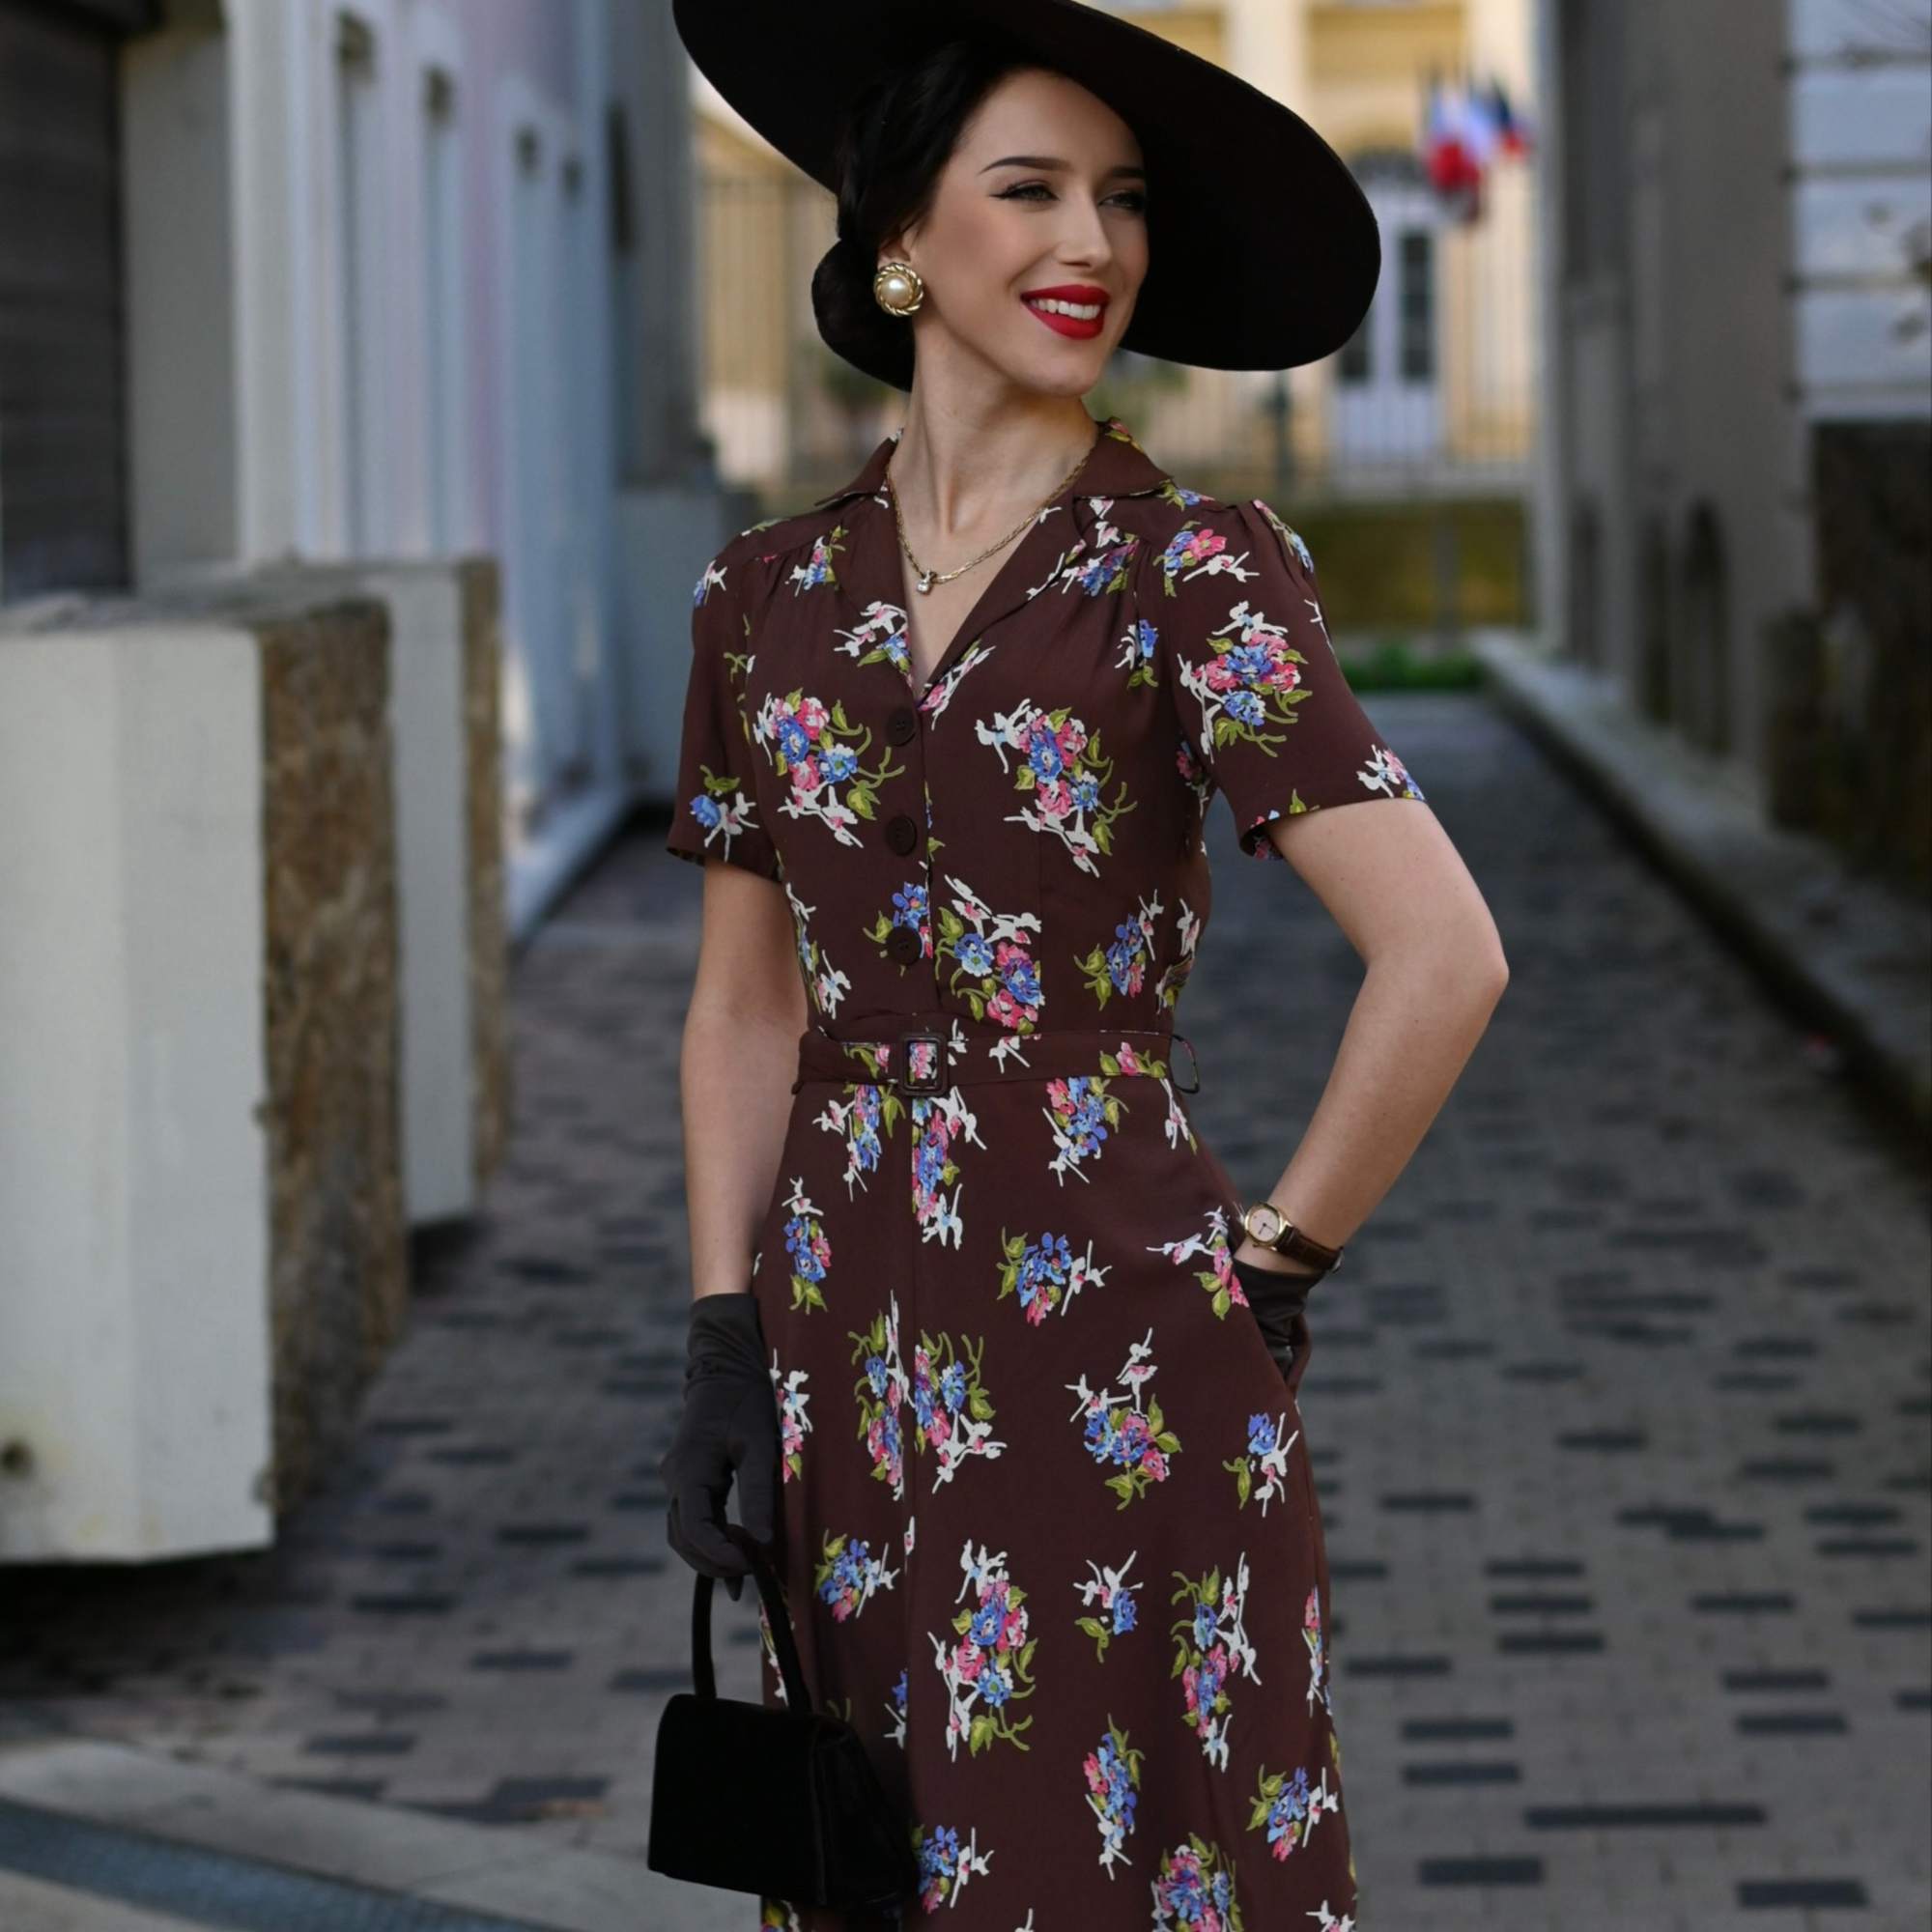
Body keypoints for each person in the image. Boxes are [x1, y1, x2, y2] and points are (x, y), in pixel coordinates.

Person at [660, 4, 1508, 1926]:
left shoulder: (1192, 569)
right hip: (834, 1344)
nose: (1089, 243)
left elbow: (1444, 952)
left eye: (1118, 202)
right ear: (898, 236)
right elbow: (741, 1003)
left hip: (1114, 1347)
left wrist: (1272, 1268)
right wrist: (723, 1336)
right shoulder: (761, 601)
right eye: (1026, 188)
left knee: (1117, 1866)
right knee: (876, 1858)